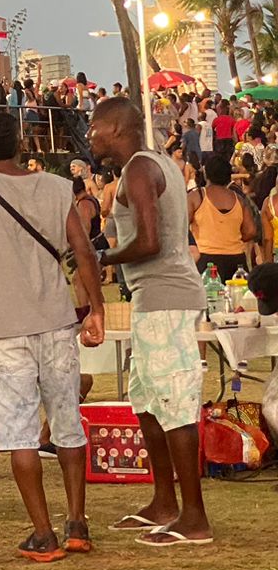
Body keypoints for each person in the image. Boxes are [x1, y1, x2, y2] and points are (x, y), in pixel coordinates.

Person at [0, 112, 105, 563]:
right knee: (67, 424)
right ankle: (76, 523)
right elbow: (82, 250)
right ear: (22, 144)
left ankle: (43, 533)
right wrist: (95, 307)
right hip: (55, 319)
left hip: (3, 327)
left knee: (18, 434)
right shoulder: (58, 188)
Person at [89, 98, 214, 546]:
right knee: (146, 400)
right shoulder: (152, 164)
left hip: (166, 297)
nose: (89, 135)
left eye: (94, 126)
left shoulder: (140, 170)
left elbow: (148, 241)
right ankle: (164, 502)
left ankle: (194, 517)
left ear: (117, 128)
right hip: (152, 297)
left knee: (174, 405)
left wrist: (100, 255)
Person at [188, 154, 254, 280]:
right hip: (236, 260)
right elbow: (250, 231)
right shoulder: (238, 199)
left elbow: (181, 225)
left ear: (207, 174)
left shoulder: (196, 196)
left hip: (206, 259)